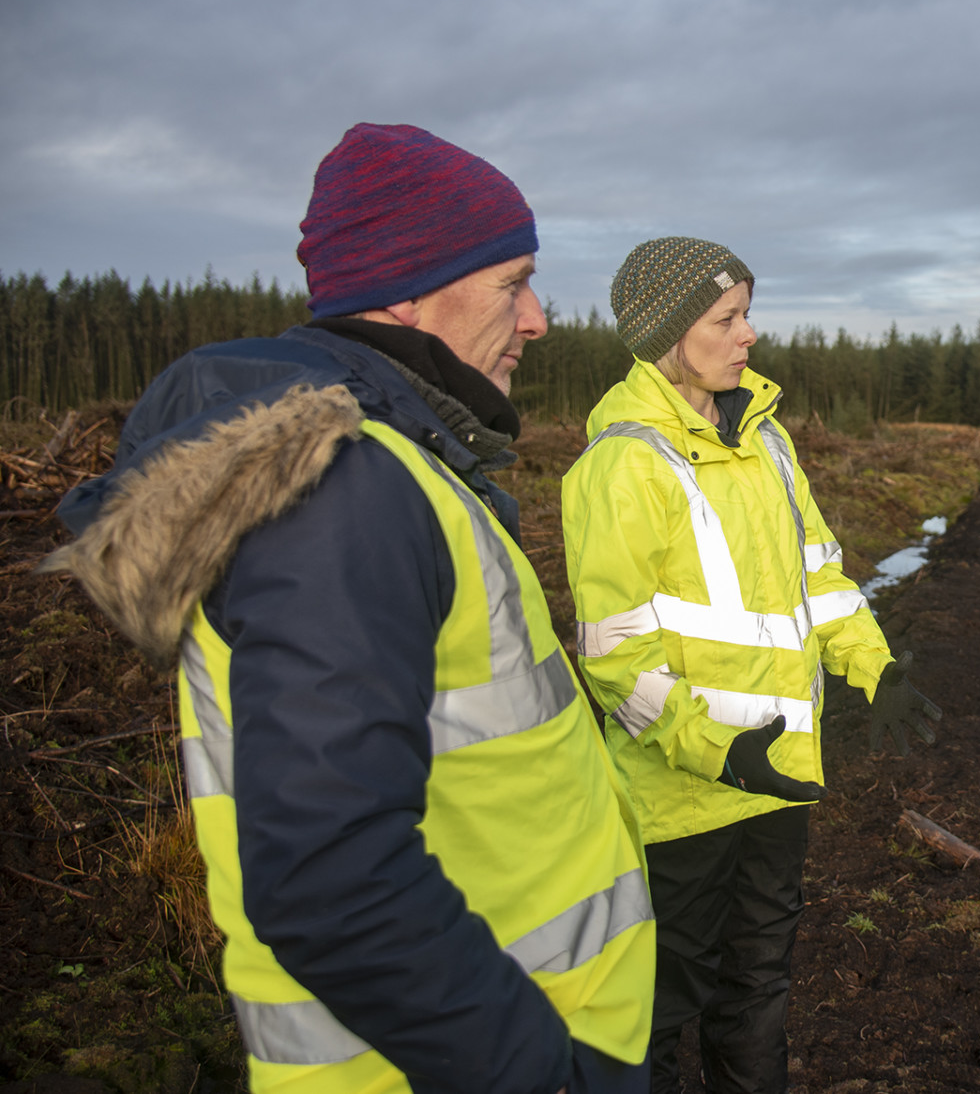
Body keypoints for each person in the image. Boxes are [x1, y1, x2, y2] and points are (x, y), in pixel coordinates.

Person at [45, 124, 653, 1093]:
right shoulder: (349, 492)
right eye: (511, 282)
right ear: (408, 293)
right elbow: (329, 876)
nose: (537, 318)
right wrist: (540, 1072)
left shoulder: (402, 467)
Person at [561, 237, 941, 1093]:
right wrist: (713, 748)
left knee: (760, 991)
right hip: (679, 802)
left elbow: (822, 581)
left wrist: (872, 668)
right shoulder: (624, 464)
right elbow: (616, 656)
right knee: (660, 1009)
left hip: (779, 782)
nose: (749, 335)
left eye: (745, 315)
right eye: (726, 319)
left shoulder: (768, 442)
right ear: (668, 337)